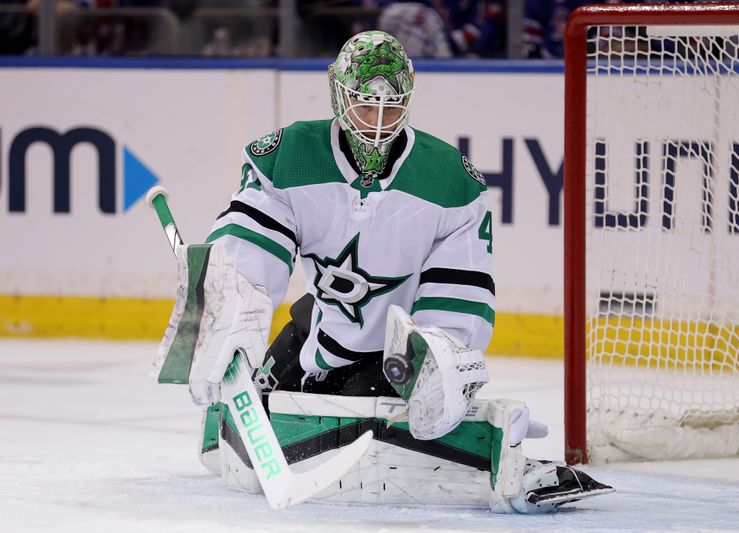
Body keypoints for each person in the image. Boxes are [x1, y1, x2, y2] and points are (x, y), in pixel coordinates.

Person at [154, 30, 613, 513]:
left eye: (391, 107)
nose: (376, 123)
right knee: (224, 444)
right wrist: (224, 316)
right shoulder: (288, 157)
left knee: (371, 434)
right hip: (319, 334)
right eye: (363, 106)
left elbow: (460, 296)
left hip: (393, 359)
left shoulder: (450, 181)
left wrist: (439, 371)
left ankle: (502, 450)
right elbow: (249, 252)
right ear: (337, 93)